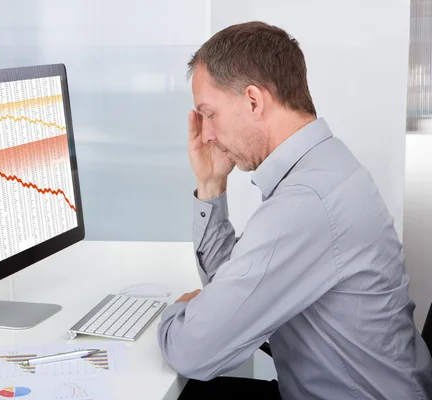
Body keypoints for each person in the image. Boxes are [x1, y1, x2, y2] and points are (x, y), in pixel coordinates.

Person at [157, 21, 432, 400]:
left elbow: (194, 351)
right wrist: (211, 184)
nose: (206, 134)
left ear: (253, 101)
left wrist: (175, 313)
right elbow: (235, 293)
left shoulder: (306, 202)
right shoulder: (324, 166)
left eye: (210, 113)